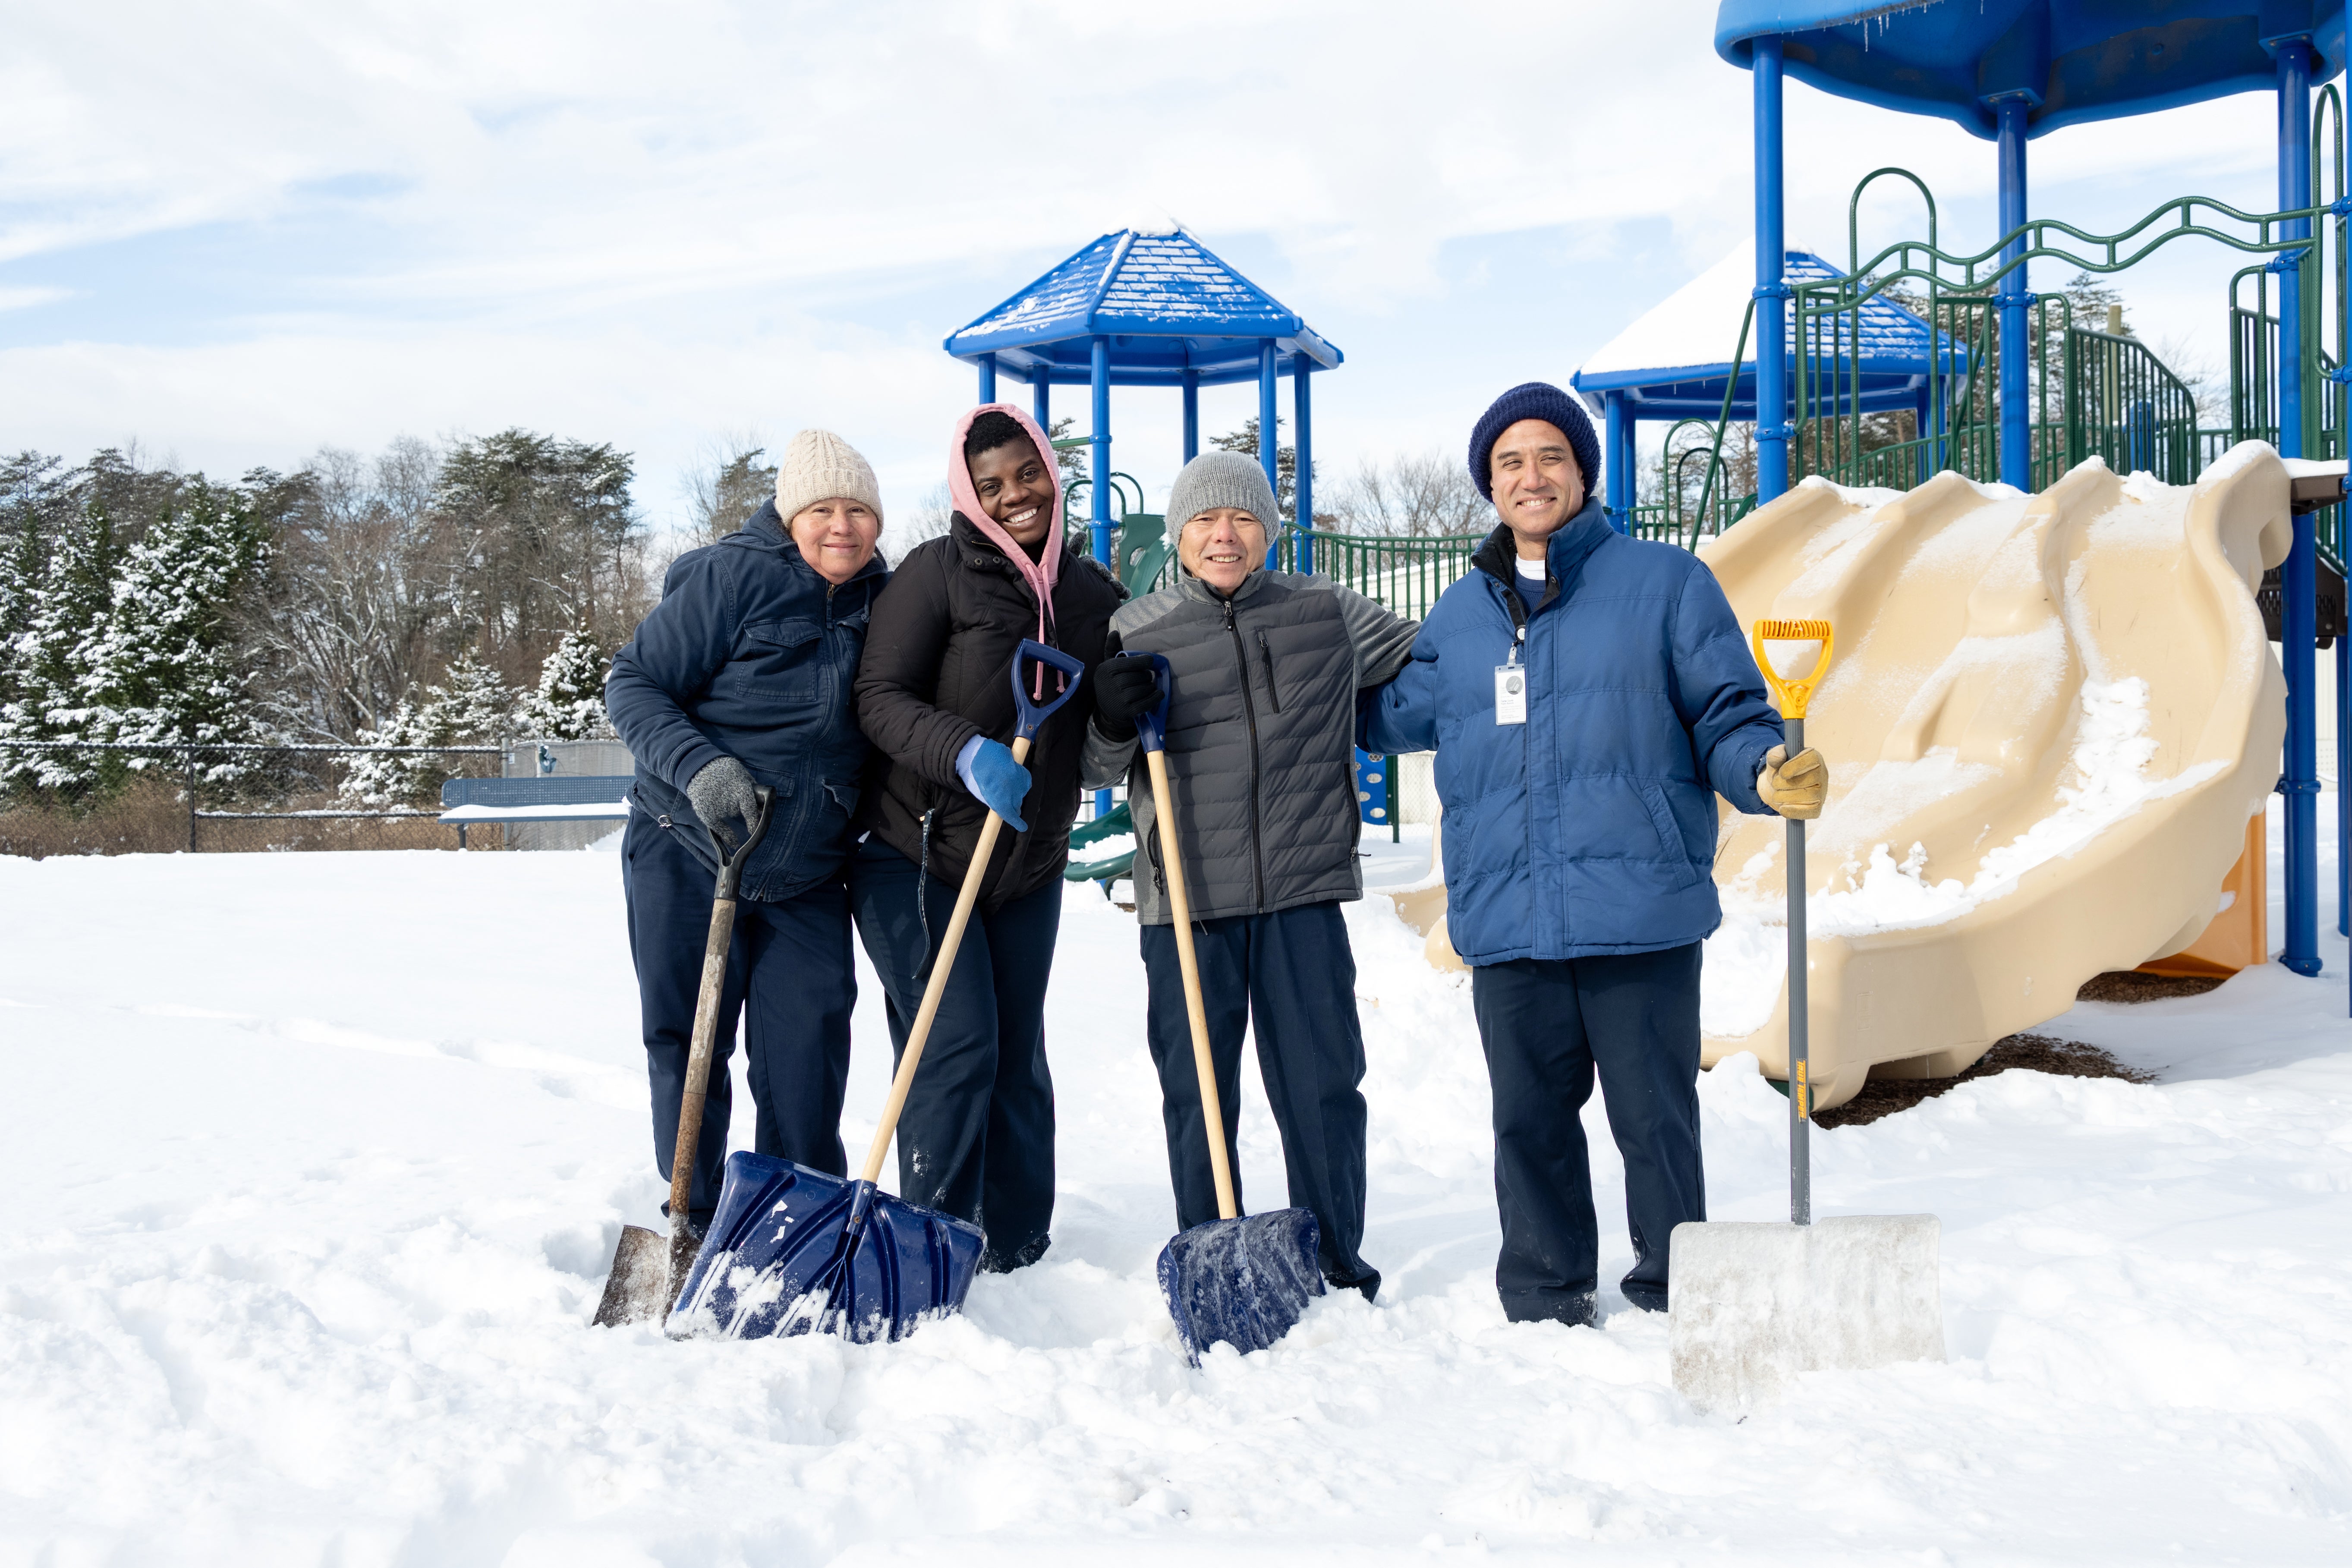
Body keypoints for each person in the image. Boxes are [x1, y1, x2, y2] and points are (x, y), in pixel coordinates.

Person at [1366, 382, 1829, 1327]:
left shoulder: (1665, 584)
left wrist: (1762, 767)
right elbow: (1382, 714)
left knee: (1653, 1119)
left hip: (1639, 908)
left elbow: (1724, 714)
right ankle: (1544, 1290)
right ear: (1486, 485)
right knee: (1526, 1124)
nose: (1529, 475)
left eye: (1548, 455)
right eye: (1508, 461)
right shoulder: (1459, 616)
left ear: (1581, 471)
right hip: (1508, 915)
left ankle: (1676, 1284)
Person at [1083, 450, 1418, 1299]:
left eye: (1240, 519)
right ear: (1180, 532)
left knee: (1322, 1086)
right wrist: (1111, 716)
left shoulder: (1324, 610)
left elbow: (1431, 658)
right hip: (1184, 901)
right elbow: (1091, 766)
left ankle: (1336, 1258)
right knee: (1198, 1094)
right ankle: (1211, 1259)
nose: (1222, 536)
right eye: (1203, 520)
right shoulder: (1136, 627)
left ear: (1267, 529)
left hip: (1301, 892)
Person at [849, 403, 1122, 1272]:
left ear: (1051, 470)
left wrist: (1123, 706)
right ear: (968, 496)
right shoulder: (935, 575)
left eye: (1027, 474)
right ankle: (932, 1235)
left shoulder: (1091, 595)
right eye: (992, 485)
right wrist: (960, 750)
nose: (1016, 496)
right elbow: (878, 696)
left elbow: (1110, 717)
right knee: (957, 1042)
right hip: (916, 857)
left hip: (1026, 867)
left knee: (1016, 1053)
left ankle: (1014, 1240)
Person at [604, 429, 889, 1231]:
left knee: (807, 1053)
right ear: (790, 514)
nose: (843, 527)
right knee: (688, 1042)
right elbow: (633, 684)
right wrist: (699, 767)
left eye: (860, 511)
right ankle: (692, 1213)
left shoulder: (884, 600)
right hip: (688, 847)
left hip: (804, 868)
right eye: (823, 510)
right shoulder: (731, 578)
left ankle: (794, 1218)